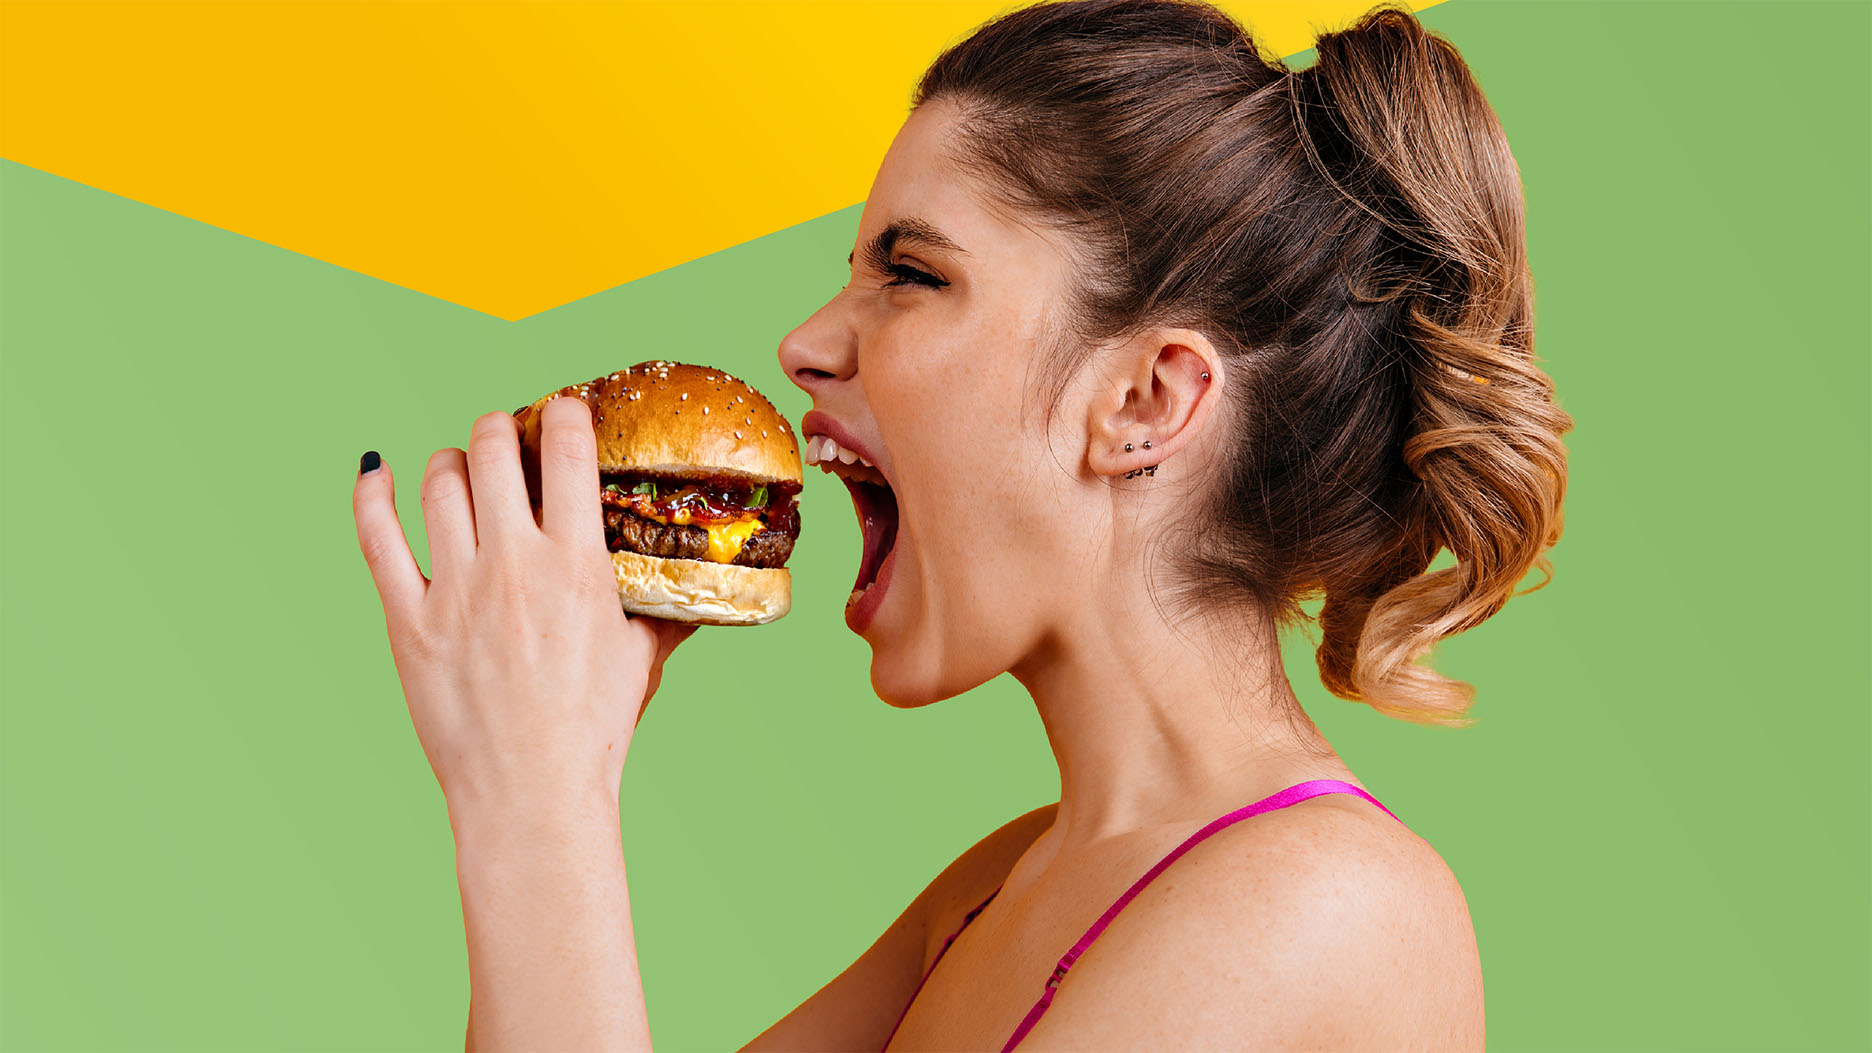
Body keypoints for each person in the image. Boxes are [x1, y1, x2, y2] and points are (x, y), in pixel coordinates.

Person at [351, 0, 1570, 1048]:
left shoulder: (1328, 910)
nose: (808, 342)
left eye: (912, 274)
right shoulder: (1001, 889)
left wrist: (538, 800)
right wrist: (557, 744)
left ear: (1145, 401)